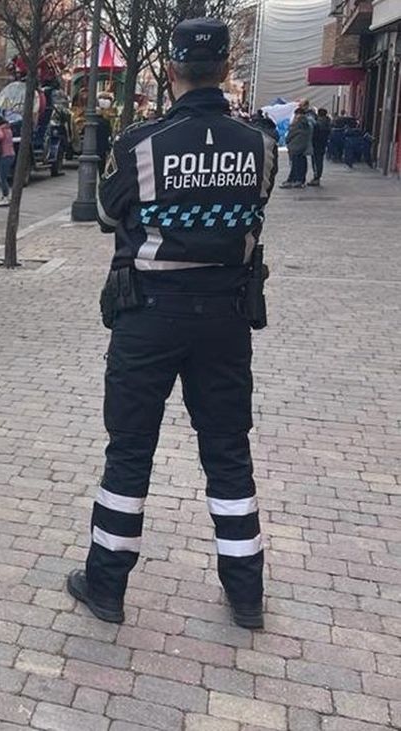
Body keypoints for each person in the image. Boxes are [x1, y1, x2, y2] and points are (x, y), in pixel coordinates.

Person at [69, 17, 277, 631]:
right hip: (226, 317)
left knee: (129, 452)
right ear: (226, 66)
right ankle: (247, 596)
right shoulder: (259, 145)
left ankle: (105, 588)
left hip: (149, 317)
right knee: (228, 453)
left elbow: (107, 212)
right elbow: (256, 206)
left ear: (171, 68)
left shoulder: (142, 142)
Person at [281, 107, 312, 188]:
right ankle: (299, 180)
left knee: (295, 164)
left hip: (295, 146)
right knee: (301, 164)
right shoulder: (307, 123)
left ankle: (294, 180)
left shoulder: (297, 123)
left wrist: (287, 141)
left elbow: (291, 134)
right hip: (302, 146)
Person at [309, 108, 331, 186]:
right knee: (319, 161)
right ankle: (317, 177)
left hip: (316, 144)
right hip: (323, 144)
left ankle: (316, 178)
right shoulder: (328, 122)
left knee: (315, 161)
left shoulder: (317, 123)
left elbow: (314, 135)